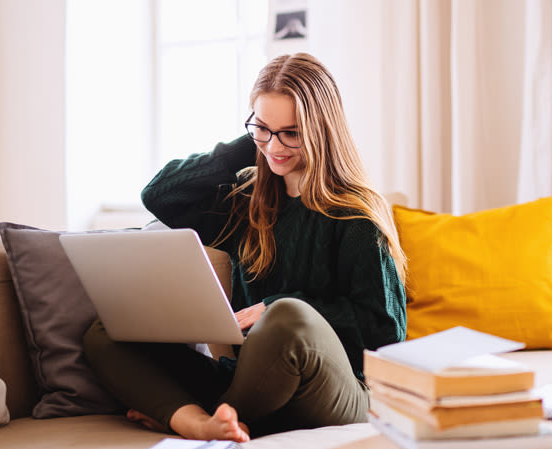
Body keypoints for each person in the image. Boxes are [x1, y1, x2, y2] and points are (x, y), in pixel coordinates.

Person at [82, 53, 407, 443]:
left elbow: (386, 334)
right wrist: (252, 142)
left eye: (291, 132)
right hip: (251, 381)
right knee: (107, 332)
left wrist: (278, 307)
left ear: (322, 130)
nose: (276, 147)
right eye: (263, 129)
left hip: (340, 390)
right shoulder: (247, 202)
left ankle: (205, 418)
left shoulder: (356, 216)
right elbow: (160, 194)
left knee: (287, 317)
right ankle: (202, 422)